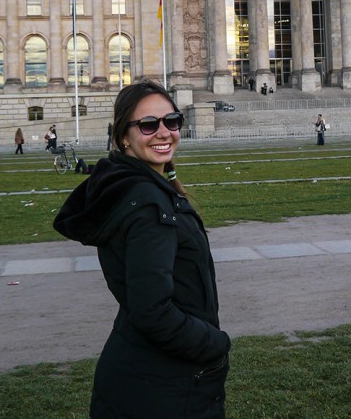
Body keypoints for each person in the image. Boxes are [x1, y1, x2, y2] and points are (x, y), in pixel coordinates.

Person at [54, 81, 230, 418]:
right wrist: (215, 344)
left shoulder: (130, 188)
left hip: (141, 373)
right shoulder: (148, 204)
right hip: (162, 384)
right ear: (124, 136)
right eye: (148, 125)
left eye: (172, 121)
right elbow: (152, 312)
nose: (164, 132)